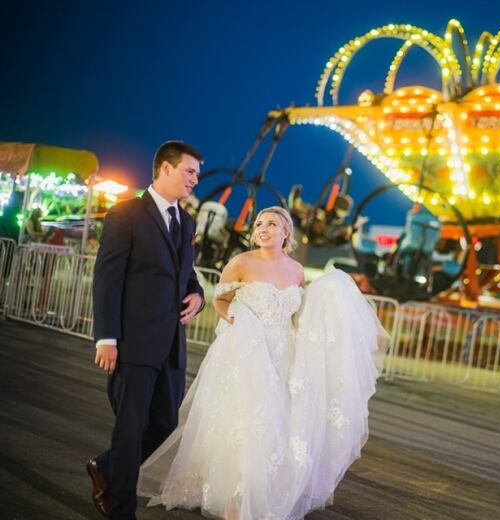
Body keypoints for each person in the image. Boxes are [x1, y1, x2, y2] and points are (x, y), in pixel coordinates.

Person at [138, 206, 387, 520]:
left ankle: (260, 490)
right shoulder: (241, 263)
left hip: (284, 354)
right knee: (248, 419)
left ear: (286, 233)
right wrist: (237, 324)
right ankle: (236, 497)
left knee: (277, 422)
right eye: (259, 224)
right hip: (246, 352)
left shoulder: (296, 270)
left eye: (272, 224)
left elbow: (298, 315)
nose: (264, 229)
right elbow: (221, 299)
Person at [87, 141, 205, 519]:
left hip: (171, 344)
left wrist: (198, 294)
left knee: (165, 426)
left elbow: (184, 273)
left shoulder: (185, 221)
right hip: (132, 343)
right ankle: (122, 509)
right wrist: (106, 337)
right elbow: (107, 279)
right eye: (189, 172)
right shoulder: (127, 214)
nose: (195, 180)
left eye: (197, 175)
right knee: (130, 428)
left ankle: (106, 467)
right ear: (165, 169)